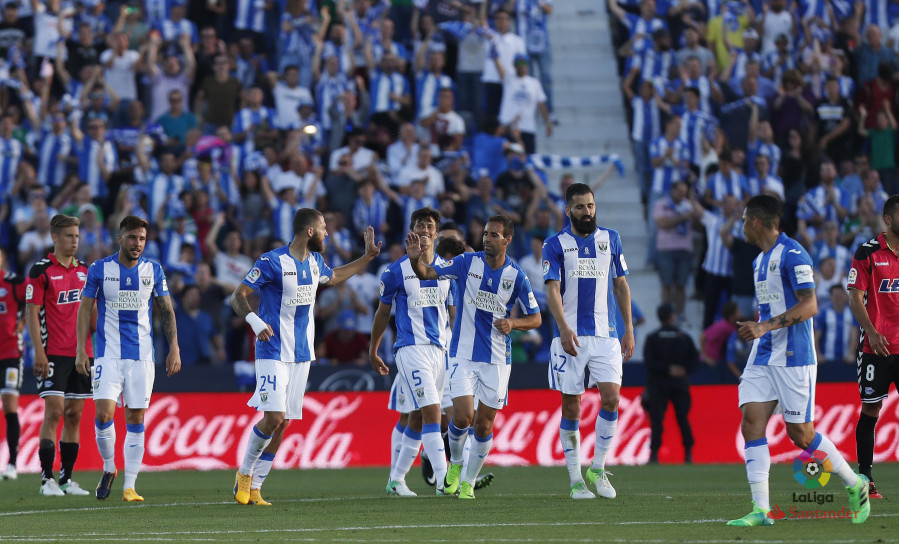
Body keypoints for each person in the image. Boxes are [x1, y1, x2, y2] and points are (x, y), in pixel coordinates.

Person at [727, 195, 869, 526]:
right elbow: (771, 305)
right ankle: (761, 510)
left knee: (801, 436)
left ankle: (856, 484)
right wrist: (758, 326)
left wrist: (763, 326)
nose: (742, 226)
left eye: (745, 220)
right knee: (751, 422)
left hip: (793, 356)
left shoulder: (794, 254)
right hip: (763, 355)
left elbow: (810, 305)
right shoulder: (759, 260)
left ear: (757, 222)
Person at [230, 208, 381, 506]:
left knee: (282, 423)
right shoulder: (271, 261)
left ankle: (257, 486)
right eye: (324, 227)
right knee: (273, 417)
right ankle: (244, 475)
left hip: (301, 354)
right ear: (309, 231)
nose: (327, 232)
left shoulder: (315, 262)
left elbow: (335, 277)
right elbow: (239, 296)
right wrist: (256, 322)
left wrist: (367, 259)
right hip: (272, 349)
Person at [406, 214, 541, 500]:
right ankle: (455, 464)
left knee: (484, 423)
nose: (487, 239)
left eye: (494, 235)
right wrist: (415, 259)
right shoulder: (468, 262)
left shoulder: (516, 275)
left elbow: (536, 317)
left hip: (496, 358)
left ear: (507, 240)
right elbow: (428, 273)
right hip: (462, 355)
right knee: (463, 416)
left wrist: (514, 324)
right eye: (486, 234)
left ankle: (468, 481)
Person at [75, 215, 182, 502]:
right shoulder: (99, 269)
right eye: (133, 237)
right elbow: (85, 309)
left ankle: (130, 486)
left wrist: (174, 347)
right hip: (107, 354)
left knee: (136, 417)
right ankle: (109, 467)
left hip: (142, 357)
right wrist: (80, 349)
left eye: (142, 238)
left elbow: (167, 310)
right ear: (119, 237)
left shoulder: (154, 270)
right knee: (104, 414)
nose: (138, 243)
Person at [542, 182, 635, 500]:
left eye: (591, 206)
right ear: (567, 210)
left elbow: (621, 285)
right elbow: (552, 290)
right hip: (570, 337)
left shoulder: (612, 239)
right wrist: (564, 327)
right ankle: (575, 480)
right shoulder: (554, 244)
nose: (587, 212)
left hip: (606, 334)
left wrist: (629, 329)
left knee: (611, 399)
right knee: (572, 405)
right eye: (580, 207)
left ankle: (597, 466)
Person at [370, 207, 454, 497]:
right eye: (420, 225)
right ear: (412, 231)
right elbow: (382, 314)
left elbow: (452, 314)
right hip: (410, 349)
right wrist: (373, 349)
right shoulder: (396, 271)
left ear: (436, 232)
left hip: (439, 352)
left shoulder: (446, 269)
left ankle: (396, 479)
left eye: (430, 225)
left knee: (418, 418)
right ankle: (445, 481)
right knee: (432, 412)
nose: (425, 230)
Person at [25, 214, 93, 496]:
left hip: (81, 354)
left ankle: (66, 479)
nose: (74, 241)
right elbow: (31, 313)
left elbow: (91, 314)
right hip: (52, 352)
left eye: (77, 236)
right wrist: (38, 353)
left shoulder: (86, 271)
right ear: (55, 238)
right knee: (53, 412)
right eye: (68, 236)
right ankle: (46, 479)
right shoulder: (40, 271)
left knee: (74, 414)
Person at [846, 195, 899, 500]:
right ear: (889, 219)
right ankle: (865, 477)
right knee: (871, 409)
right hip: (875, 348)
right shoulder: (867, 252)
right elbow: (854, 295)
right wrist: (871, 331)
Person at [643, 303, 698, 464]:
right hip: (679, 384)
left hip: (659, 385)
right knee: (683, 419)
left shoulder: (653, 338)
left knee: (657, 420)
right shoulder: (684, 337)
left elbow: (649, 363)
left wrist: (667, 369)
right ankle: (688, 453)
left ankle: (654, 455)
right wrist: (683, 370)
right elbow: (695, 360)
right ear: (672, 316)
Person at [0, 249, 25, 480]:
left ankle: (13, 463)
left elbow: (34, 299)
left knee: (9, 407)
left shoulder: (14, 282)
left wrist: (23, 322)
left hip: (9, 354)